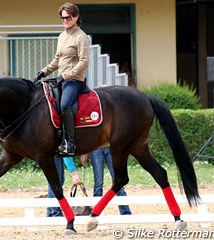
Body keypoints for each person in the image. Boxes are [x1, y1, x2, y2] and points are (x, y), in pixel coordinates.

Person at [35, 2, 90, 156]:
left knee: (65, 105)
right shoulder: (62, 36)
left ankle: (70, 143)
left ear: (76, 17)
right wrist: (43, 72)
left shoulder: (82, 37)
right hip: (60, 79)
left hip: (74, 81)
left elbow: (84, 62)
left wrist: (66, 75)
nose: (65, 20)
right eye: (62, 18)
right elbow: (57, 59)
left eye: (68, 17)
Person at [81, 146, 132, 215]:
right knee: (98, 182)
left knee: (118, 181)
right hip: (96, 148)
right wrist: (85, 152)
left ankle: (125, 212)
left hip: (111, 147)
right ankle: (97, 212)